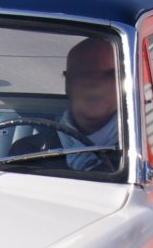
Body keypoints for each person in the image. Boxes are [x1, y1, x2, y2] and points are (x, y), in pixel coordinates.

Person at [11, 37, 122, 172]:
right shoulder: (26, 153)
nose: (94, 85)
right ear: (68, 83)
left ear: (123, 82)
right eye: (84, 75)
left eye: (108, 76)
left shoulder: (141, 152)